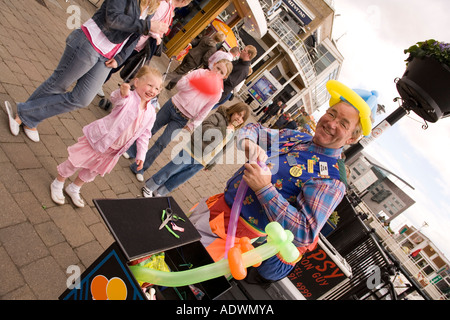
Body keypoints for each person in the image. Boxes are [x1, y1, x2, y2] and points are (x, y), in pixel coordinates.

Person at [188, 83, 378, 282]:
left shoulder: (331, 179)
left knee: (179, 278)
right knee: (164, 249)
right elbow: (255, 129)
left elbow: (305, 232)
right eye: (332, 114)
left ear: (352, 138)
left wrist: (264, 189)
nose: (332, 123)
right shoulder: (298, 138)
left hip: (234, 238)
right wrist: (248, 143)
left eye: (343, 124)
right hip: (213, 208)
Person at [5, 0, 168, 143]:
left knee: (82, 98)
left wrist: (120, 58)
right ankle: (29, 120)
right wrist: (148, 26)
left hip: (108, 56)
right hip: (89, 42)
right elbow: (113, 18)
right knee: (59, 84)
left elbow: (134, 39)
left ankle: (25, 112)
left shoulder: (152, 5)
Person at [50, 66, 163, 208]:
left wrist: (141, 154)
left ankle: (74, 187)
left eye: (157, 88)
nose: (153, 90)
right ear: (137, 82)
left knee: (93, 170)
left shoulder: (151, 112)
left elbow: (145, 135)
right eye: (150, 85)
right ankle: (58, 182)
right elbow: (116, 99)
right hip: (99, 139)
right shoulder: (128, 97)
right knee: (76, 161)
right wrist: (122, 93)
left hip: (114, 150)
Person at [125, 58, 233, 181]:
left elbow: (206, 110)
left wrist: (193, 124)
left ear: (225, 77)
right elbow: (180, 85)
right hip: (172, 105)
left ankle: (140, 167)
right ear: (214, 65)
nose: (217, 72)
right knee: (149, 130)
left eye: (221, 72)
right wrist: (195, 83)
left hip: (182, 118)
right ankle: (132, 151)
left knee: (162, 143)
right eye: (217, 68)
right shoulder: (199, 73)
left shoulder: (217, 93)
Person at [141, 102, 250, 197]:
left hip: (203, 160)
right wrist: (224, 130)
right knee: (171, 169)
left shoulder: (234, 132)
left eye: (242, 118)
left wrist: (212, 163)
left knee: (181, 177)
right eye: (238, 114)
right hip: (192, 151)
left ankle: (160, 191)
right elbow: (205, 129)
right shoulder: (218, 116)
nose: (239, 119)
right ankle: (150, 185)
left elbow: (222, 149)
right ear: (233, 111)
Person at [100, 0, 192, 90]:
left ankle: (102, 83)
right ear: (184, 2)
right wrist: (157, 36)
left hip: (141, 44)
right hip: (137, 41)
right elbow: (149, 23)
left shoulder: (169, 8)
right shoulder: (164, 6)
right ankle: (99, 82)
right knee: (118, 64)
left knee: (127, 69)